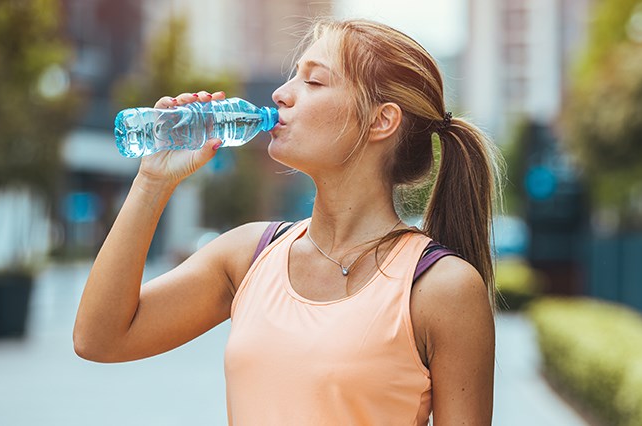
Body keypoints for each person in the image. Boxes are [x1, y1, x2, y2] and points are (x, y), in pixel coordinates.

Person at [74, 18, 500, 425]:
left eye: (313, 81)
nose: (280, 94)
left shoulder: (441, 288)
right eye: (293, 76)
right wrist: (152, 182)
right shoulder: (248, 256)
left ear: (381, 120)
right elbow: (99, 339)